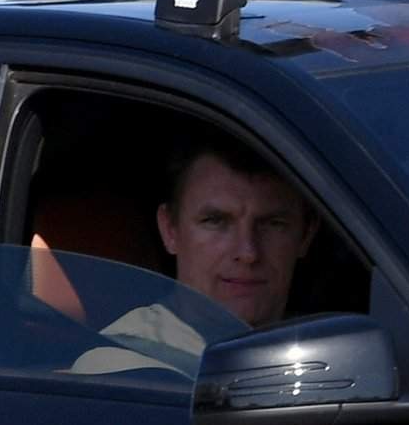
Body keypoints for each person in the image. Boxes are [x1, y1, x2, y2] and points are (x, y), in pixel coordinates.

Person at [73, 133, 320, 375]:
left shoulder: (323, 350)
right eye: (215, 221)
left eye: (272, 224)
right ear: (170, 230)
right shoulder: (119, 368)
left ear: (306, 235)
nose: (248, 252)